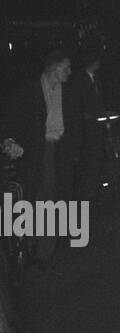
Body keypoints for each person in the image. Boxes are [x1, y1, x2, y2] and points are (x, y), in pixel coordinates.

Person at [5, 49, 74, 266]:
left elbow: (74, 121)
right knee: (38, 197)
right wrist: (10, 141)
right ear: (54, 68)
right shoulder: (30, 89)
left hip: (58, 148)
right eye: (66, 67)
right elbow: (13, 118)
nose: (70, 72)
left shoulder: (67, 91)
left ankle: (45, 249)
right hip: (37, 150)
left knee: (52, 196)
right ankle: (35, 243)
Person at [66, 39, 106, 201]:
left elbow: (98, 100)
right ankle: (85, 191)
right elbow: (75, 104)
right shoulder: (80, 80)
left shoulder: (95, 79)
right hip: (85, 126)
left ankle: (92, 188)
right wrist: (85, 115)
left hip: (96, 124)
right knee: (88, 158)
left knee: (96, 156)